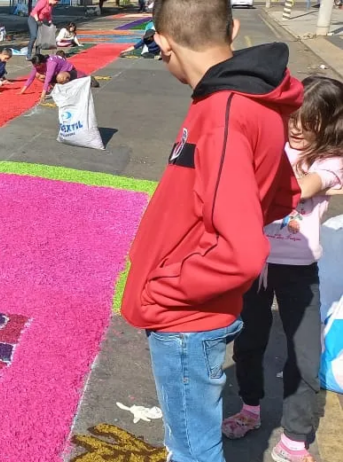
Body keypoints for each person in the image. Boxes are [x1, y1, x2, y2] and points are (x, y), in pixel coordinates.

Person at [119, 0, 304, 458]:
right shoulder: (256, 100)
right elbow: (283, 193)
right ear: (233, 27)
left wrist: (169, 284)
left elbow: (243, 252)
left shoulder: (222, 111)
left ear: (162, 43)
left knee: (191, 450)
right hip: (199, 309)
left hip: (186, 316)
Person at [222, 76, 343, 462]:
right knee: (249, 343)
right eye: (293, 120)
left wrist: (254, 179)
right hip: (255, 264)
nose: (298, 130)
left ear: (329, 126)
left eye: (310, 124)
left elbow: (309, 185)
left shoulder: (331, 162)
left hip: (300, 273)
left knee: (305, 355)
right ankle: (250, 409)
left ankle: (294, 437)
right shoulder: (272, 143)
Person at [19, 53, 96, 103]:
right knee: (38, 75)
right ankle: (55, 88)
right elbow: (31, 77)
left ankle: (87, 79)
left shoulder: (51, 63)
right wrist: (22, 91)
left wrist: (43, 96)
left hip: (69, 72)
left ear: (42, 63)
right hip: (57, 73)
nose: (35, 67)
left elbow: (47, 80)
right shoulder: (38, 63)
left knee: (60, 78)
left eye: (36, 66)